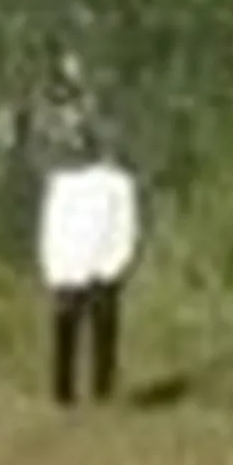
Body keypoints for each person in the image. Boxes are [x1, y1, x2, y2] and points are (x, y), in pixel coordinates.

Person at [37, 114, 140, 407]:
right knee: (66, 327)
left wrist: (116, 261)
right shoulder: (62, 185)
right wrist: (54, 266)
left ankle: (102, 389)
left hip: (101, 263)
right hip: (69, 263)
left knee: (103, 328)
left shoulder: (117, 183)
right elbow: (52, 226)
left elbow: (125, 224)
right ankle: (63, 390)